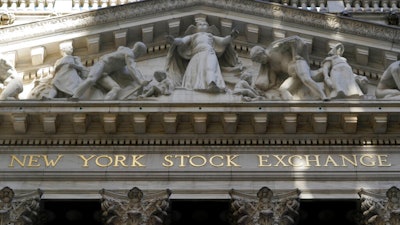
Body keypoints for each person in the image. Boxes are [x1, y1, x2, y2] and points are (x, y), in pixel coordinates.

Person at [165, 20, 240, 93]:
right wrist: (174, 40)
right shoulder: (193, 36)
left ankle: (212, 83)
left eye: (204, 24)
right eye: (199, 24)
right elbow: (182, 41)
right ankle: (194, 86)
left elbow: (223, 41)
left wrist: (232, 36)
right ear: (196, 28)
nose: (202, 25)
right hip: (197, 55)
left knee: (210, 67)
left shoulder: (210, 36)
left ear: (208, 28)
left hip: (209, 52)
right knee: (195, 72)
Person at [72, 42, 149, 100]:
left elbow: (127, 72)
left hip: (104, 74)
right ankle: (75, 97)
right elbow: (132, 68)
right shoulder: (129, 54)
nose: (139, 56)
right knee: (91, 80)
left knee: (116, 88)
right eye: (141, 54)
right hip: (101, 66)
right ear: (139, 51)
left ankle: (105, 106)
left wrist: (139, 86)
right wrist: (141, 80)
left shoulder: (123, 50)